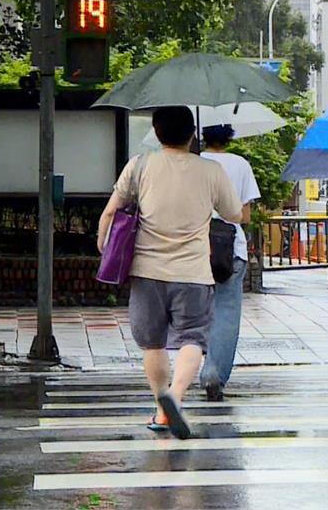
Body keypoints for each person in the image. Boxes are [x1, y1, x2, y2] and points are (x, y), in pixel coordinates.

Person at [97, 107, 242, 439]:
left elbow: (111, 213)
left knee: (152, 344)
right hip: (193, 272)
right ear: (193, 133)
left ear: (156, 132)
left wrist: (105, 247)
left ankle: (162, 409)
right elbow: (234, 213)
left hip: (147, 271)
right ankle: (174, 397)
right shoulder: (212, 170)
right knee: (193, 339)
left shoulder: (139, 166)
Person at [197, 124, 261, 402]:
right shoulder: (240, 164)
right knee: (226, 313)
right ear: (229, 136)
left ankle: (189, 365)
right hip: (229, 248)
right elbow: (244, 215)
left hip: (193, 247)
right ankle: (213, 373)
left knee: (194, 312)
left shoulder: (193, 163)